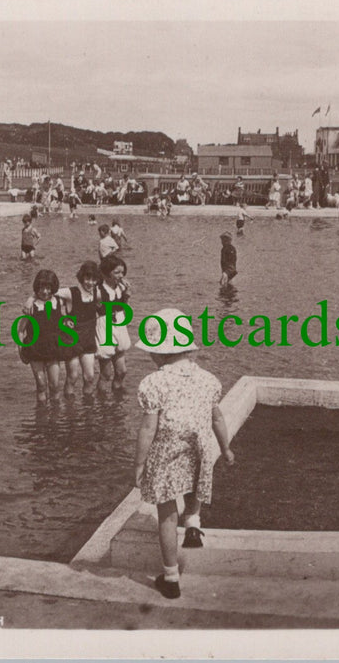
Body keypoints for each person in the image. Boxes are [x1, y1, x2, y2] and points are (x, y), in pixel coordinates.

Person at [132, 308, 235, 599]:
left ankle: (171, 577)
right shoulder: (208, 380)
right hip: (200, 447)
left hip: (167, 452)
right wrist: (225, 448)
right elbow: (217, 418)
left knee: (166, 512)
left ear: (160, 354)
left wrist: (139, 463)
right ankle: (193, 523)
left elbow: (148, 428)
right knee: (193, 485)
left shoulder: (154, 383)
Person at [20, 270, 66, 403]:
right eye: (42, 288)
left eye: (48, 288)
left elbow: (80, 293)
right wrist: (20, 351)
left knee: (55, 385)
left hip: (53, 349)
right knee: (41, 386)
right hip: (35, 350)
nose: (45, 292)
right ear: (37, 288)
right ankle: (41, 417)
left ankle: (55, 418)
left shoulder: (59, 302)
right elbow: (20, 330)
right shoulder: (31, 307)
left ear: (53, 288)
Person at [57, 260, 102, 397]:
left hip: (88, 340)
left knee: (89, 377)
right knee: (73, 377)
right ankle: (70, 412)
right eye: (88, 278)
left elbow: (101, 309)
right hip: (71, 340)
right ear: (82, 277)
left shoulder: (97, 293)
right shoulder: (70, 293)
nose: (91, 283)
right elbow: (48, 293)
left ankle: (88, 410)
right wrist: (63, 318)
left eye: (94, 279)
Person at [95, 255, 132, 395]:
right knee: (106, 373)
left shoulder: (121, 288)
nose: (120, 275)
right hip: (104, 326)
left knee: (122, 371)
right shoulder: (98, 290)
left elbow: (125, 311)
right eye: (116, 272)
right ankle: (102, 402)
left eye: (122, 272)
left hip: (119, 323)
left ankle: (117, 398)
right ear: (106, 273)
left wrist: (127, 296)